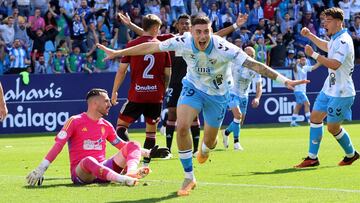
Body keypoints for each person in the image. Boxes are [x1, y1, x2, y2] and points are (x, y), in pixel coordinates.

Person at [97, 15, 307, 196]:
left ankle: (205, 150)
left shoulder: (224, 47)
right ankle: (189, 177)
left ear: (211, 31)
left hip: (218, 95)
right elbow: (151, 45)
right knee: (181, 126)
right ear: (192, 32)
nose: (202, 36)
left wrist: (284, 81)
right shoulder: (183, 41)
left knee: (209, 143)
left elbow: (254, 65)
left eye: (206, 32)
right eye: (198, 32)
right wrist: (118, 53)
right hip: (193, 88)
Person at [117, 13, 248, 158]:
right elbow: (147, 36)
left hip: (193, 82)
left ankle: (195, 150)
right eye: (182, 24)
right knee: (172, 113)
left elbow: (216, 34)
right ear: (177, 26)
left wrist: (235, 25)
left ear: (190, 27)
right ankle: (167, 149)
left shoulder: (198, 38)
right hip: (175, 81)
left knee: (193, 118)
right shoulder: (173, 39)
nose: (185, 26)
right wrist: (130, 25)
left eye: (187, 23)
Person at [26, 88, 170, 186]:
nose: (110, 104)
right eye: (106, 101)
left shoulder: (106, 125)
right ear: (95, 103)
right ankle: (122, 179)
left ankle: (131, 173)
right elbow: (58, 145)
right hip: (81, 173)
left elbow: (122, 146)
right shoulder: (74, 121)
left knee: (132, 144)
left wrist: (148, 152)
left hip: (103, 170)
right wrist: (41, 168)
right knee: (89, 160)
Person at [295, 8, 359, 168]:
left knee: (332, 128)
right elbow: (327, 46)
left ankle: (351, 154)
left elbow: (335, 65)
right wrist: (310, 36)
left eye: (328, 20)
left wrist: (314, 55)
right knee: (315, 118)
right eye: (324, 20)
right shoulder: (335, 38)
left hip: (342, 92)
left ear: (338, 22)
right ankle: (312, 158)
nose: (324, 23)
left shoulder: (344, 40)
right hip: (328, 88)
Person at [110, 14, 171, 167]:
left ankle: (131, 156)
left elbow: (122, 71)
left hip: (137, 94)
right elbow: (167, 74)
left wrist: (114, 91)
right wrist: (164, 89)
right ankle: (145, 166)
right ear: (156, 28)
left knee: (121, 127)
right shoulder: (163, 47)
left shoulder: (132, 45)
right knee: (151, 131)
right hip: (156, 96)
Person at [222, 46, 262, 151]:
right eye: (248, 54)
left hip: (244, 95)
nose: (250, 57)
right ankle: (236, 143)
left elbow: (259, 86)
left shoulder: (256, 68)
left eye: (252, 55)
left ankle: (226, 132)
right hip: (232, 93)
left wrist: (257, 98)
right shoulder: (234, 63)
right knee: (238, 115)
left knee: (240, 122)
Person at [290, 53, 321, 127]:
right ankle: (309, 121)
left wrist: (320, 62)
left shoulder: (305, 67)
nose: (304, 61)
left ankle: (293, 122)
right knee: (307, 103)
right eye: (302, 59)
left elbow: (313, 67)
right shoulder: (296, 67)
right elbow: (293, 66)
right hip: (298, 90)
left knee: (298, 106)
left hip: (302, 90)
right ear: (299, 60)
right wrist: (296, 62)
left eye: (305, 59)